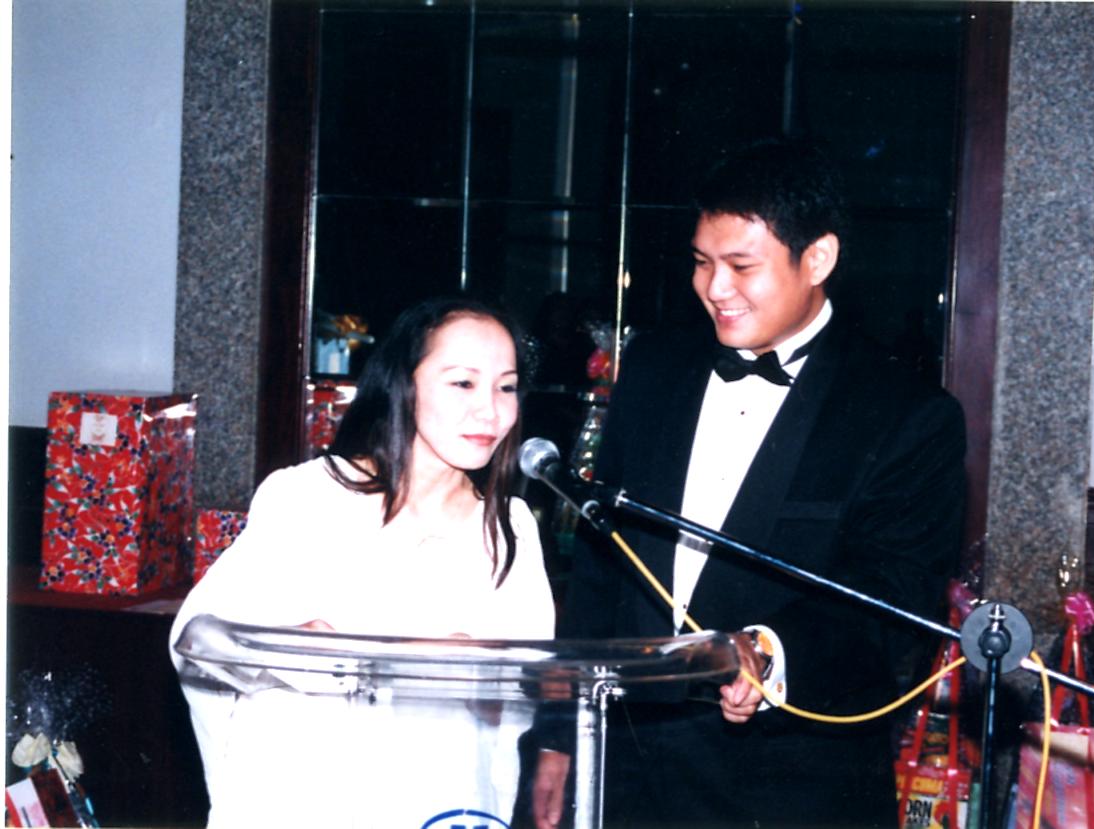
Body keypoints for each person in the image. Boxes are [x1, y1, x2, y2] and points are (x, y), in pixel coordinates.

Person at [531, 138, 966, 828]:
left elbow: (893, 604)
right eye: (702, 262)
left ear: (817, 259)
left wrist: (768, 649)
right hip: (627, 775)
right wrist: (557, 737)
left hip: (788, 790)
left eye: (741, 265)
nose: (715, 288)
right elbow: (598, 570)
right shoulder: (653, 368)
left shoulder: (906, 415)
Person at [170, 296, 555, 828]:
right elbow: (198, 640)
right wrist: (294, 648)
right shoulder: (311, 496)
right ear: (403, 384)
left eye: (506, 387)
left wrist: (475, 671)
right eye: (463, 383)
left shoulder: (509, 528)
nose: (489, 410)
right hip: (303, 803)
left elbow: (521, 703)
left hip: (437, 804)